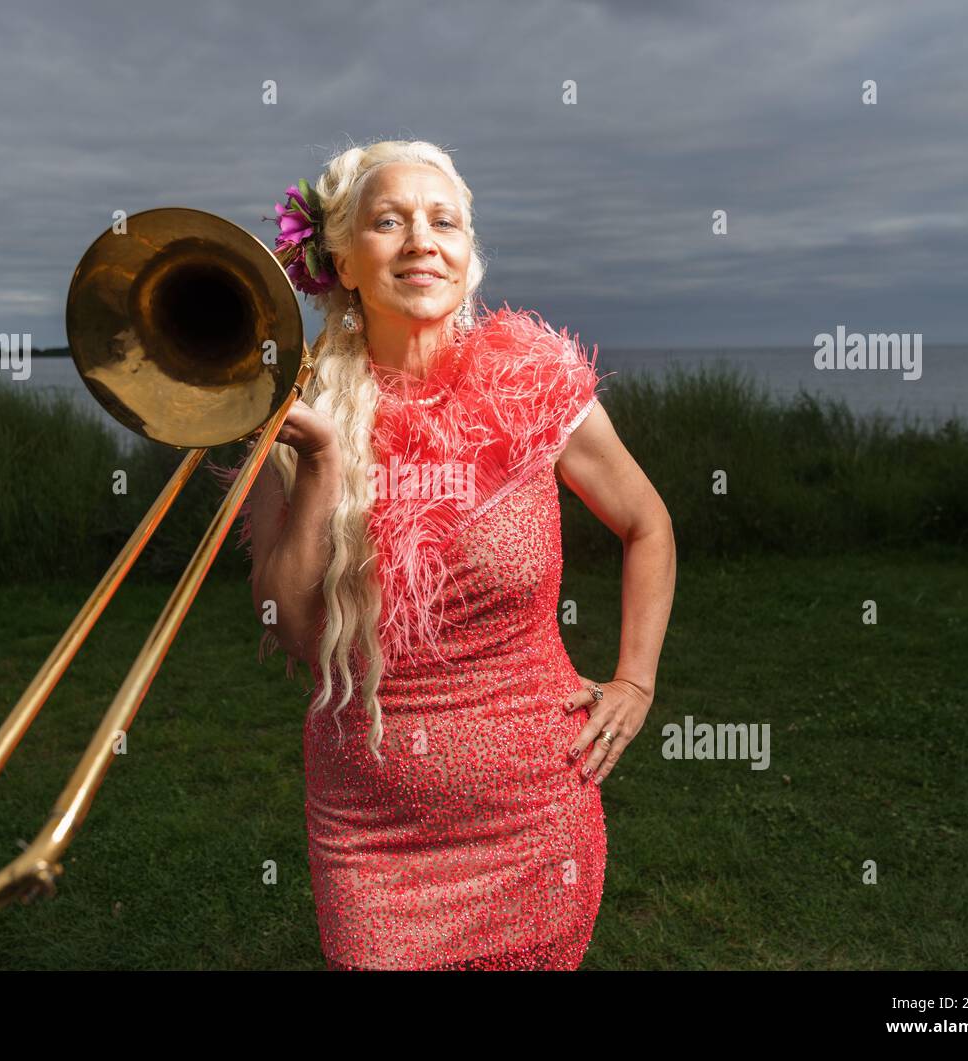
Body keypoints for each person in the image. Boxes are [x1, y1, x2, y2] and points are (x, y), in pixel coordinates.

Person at [221, 138, 676, 971]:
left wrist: (636, 678)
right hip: (371, 834)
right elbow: (286, 624)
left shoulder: (535, 384)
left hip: (537, 818)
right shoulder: (294, 405)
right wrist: (322, 462)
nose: (421, 239)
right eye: (388, 221)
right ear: (344, 261)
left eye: (444, 221)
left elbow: (648, 523)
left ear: (468, 256)